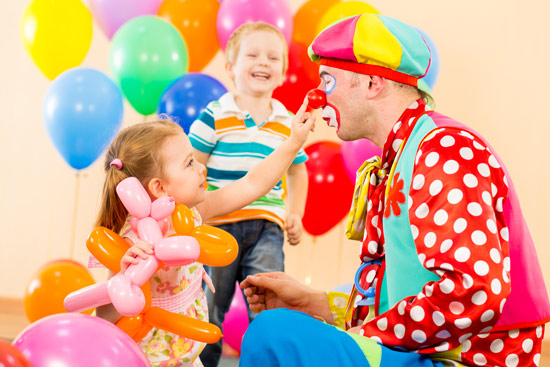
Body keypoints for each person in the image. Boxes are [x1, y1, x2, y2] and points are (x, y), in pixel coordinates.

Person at [239, 13, 550, 367]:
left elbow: (472, 290)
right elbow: (401, 289)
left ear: (373, 84)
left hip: (463, 361)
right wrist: (317, 303)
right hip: (431, 353)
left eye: (327, 81)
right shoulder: (403, 155)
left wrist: (358, 337)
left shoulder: (443, 149)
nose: (317, 97)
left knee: (274, 335)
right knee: (284, 326)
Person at [91, 107, 314, 367]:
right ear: (159, 187)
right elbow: (105, 318)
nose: (201, 168)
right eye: (189, 163)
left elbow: (252, 184)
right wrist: (123, 275)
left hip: (187, 351)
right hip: (146, 357)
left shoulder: (191, 215)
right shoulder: (132, 242)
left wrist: (294, 142)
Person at [188, 22, 309, 366]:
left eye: (273, 58)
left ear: (283, 72)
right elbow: (193, 165)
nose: (264, 62)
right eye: (253, 55)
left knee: (270, 305)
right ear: (230, 68)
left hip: (267, 227)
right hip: (217, 227)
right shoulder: (216, 114)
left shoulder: (287, 122)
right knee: (210, 309)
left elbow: (298, 169)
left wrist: (294, 212)